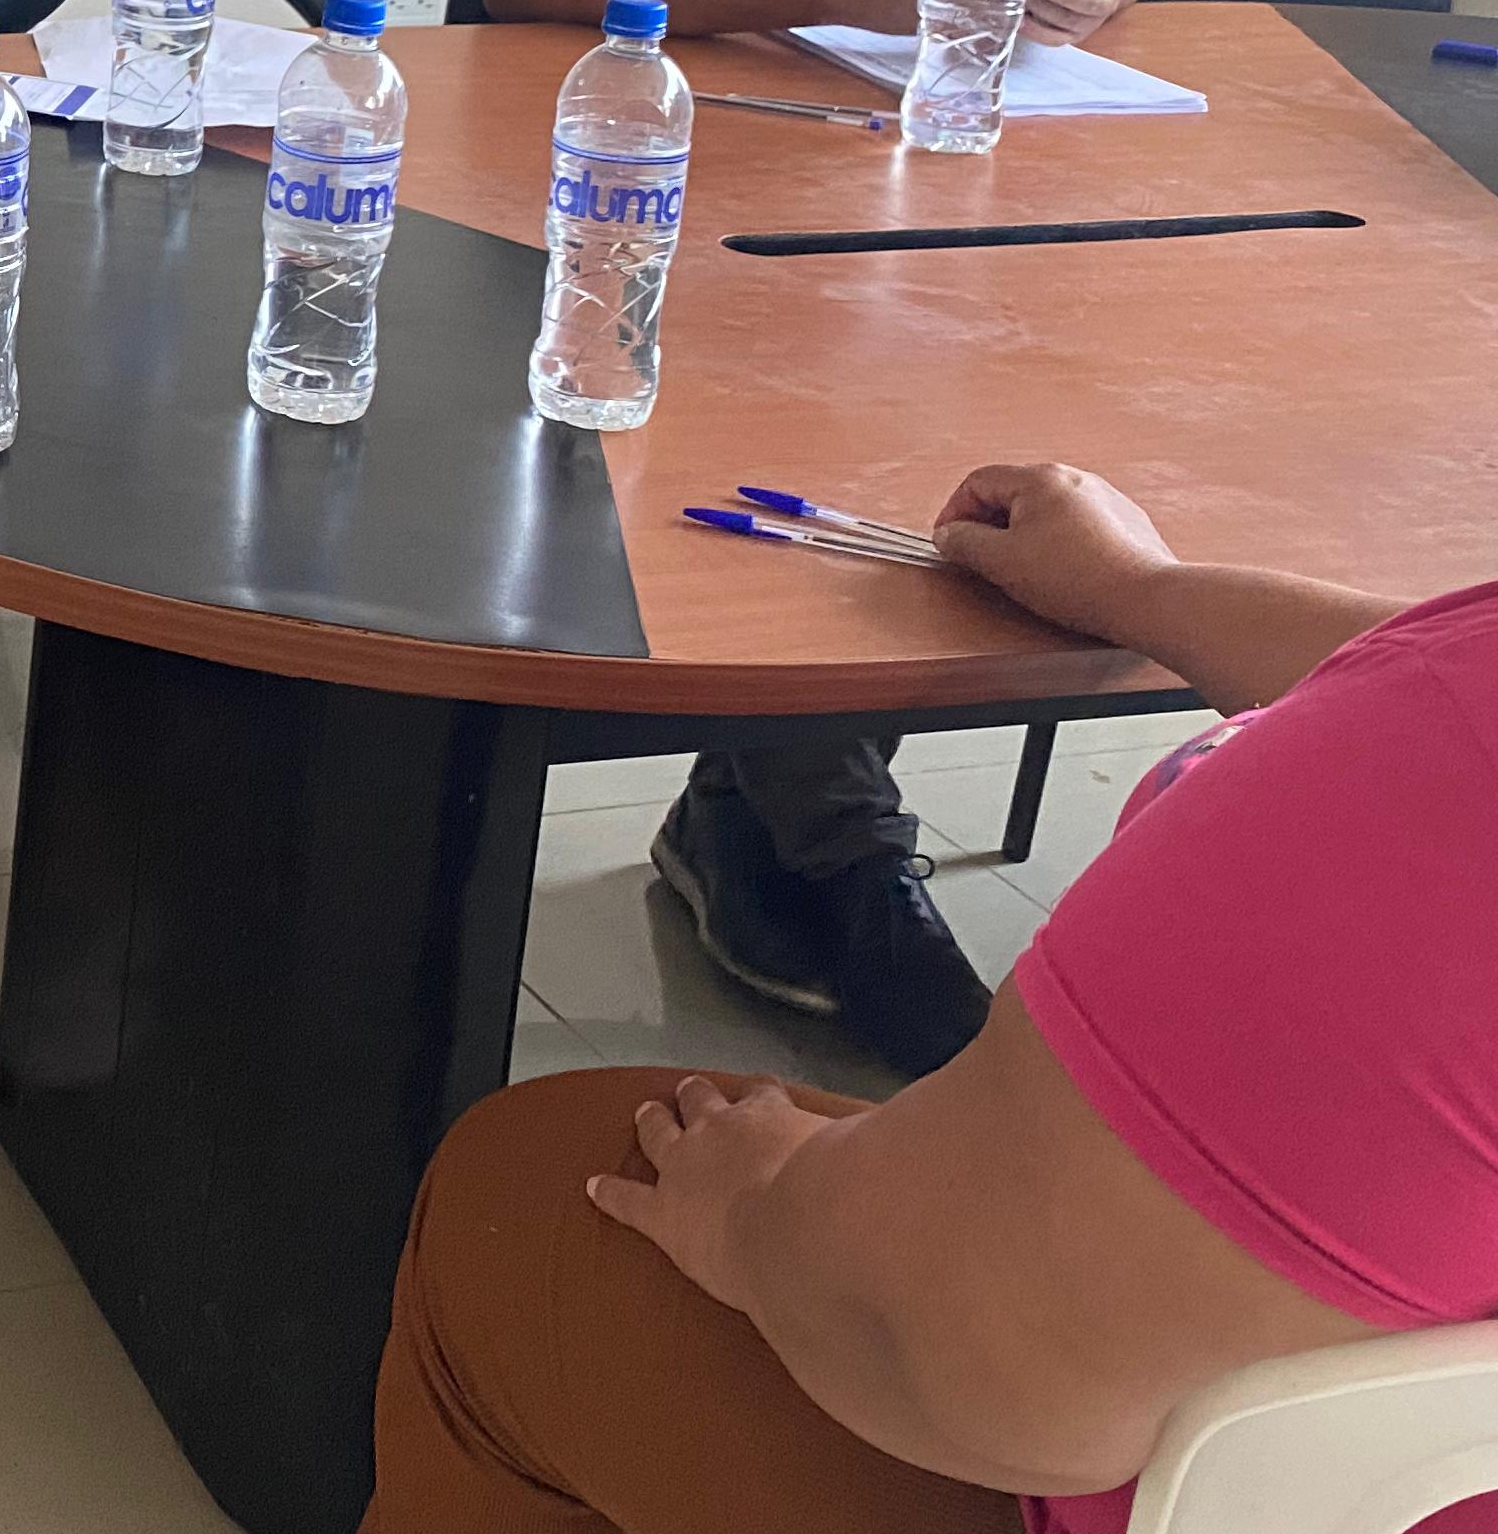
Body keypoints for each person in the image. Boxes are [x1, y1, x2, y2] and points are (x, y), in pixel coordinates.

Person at [366, 459, 1498, 1534]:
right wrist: (1139, 590)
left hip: (1149, 1462)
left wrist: (758, 1212)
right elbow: (1414, 679)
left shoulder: (1417, 822)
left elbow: (981, 1363)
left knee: (526, 1189)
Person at [467, 0, 1157, 1076]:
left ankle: (775, 810)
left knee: (938, 410)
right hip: (605, 141)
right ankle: (835, 851)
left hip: (870, 155)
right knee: (766, 416)